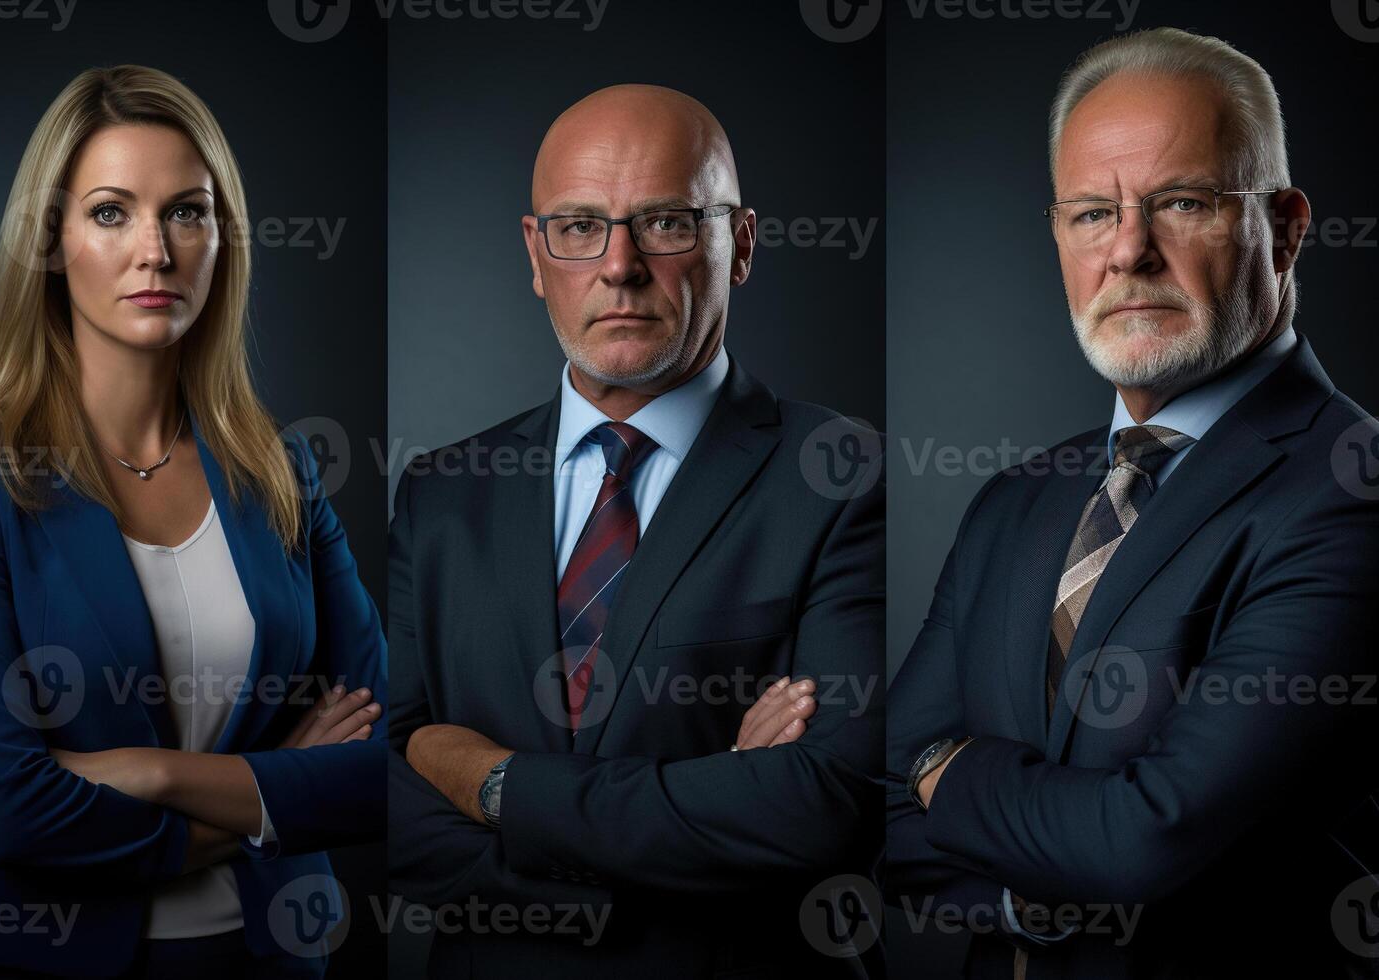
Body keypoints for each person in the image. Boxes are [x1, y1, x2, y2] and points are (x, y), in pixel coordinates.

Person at [885, 27, 1379, 978]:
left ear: (1285, 227)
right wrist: (1030, 888)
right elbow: (869, 798)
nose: (1128, 253)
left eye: (1182, 203)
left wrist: (943, 772)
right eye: (1088, 214)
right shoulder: (1014, 502)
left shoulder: (1349, 493)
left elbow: (1141, 842)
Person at [387, 83, 885, 978]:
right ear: (536, 256)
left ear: (742, 246)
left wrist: (492, 783)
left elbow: (820, 805)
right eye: (580, 227)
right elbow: (383, 796)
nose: (619, 266)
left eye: (665, 223)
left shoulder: (845, 477)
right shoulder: (440, 494)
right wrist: (706, 801)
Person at [0, 65, 385, 978]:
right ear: (51, 239)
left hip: (271, 955)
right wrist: (271, 794)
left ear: (221, 238)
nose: (156, 252)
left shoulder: (279, 471)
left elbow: (377, 764)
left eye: (187, 211)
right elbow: (4, 808)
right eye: (110, 211)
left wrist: (156, 774)